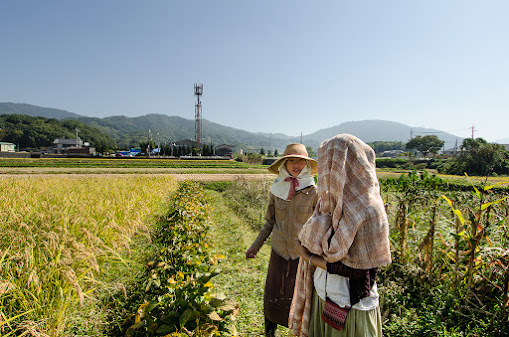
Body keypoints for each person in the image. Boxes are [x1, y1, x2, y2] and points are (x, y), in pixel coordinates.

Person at [289, 134, 392, 337]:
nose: (327, 173)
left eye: (331, 165)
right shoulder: (328, 204)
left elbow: (358, 272)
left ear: (345, 166)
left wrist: (307, 255)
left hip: (351, 307)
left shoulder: (368, 209)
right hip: (322, 296)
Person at [245, 143, 319, 337]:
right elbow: (269, 222)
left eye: (301, 160)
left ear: (307, 164)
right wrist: (255, 246)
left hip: (301, 256)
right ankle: (270, 331)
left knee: (299, 298)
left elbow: (320, 226)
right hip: (278, 252)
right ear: (284, 163)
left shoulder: (314, 192)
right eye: (292, 160)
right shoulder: (277, 189)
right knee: (272, 293)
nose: (296, 164)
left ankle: (299, 332)